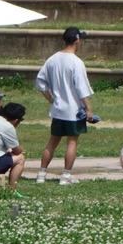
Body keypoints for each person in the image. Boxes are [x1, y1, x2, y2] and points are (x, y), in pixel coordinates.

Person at [35, 27, 94, 186]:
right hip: (73, 111)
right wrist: (88, 109)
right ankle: (66, 175)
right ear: (77, 41)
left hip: (58, 109)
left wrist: (51, 99)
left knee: (52, 141)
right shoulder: (76, 62)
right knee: (72, 142)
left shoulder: (52, 59)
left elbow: (40, 82)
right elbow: (82, 89)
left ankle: (41, 173)